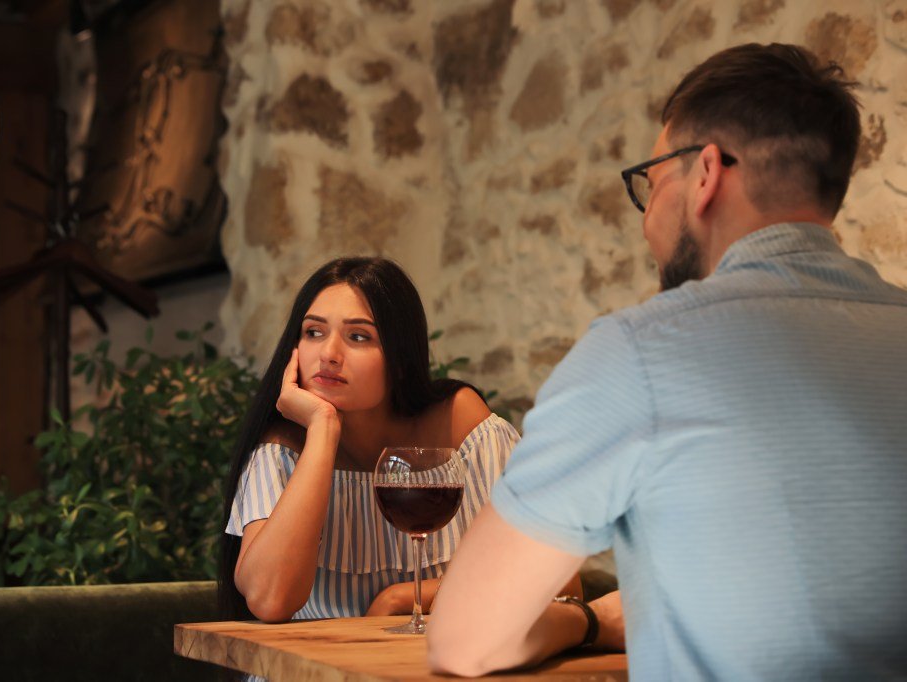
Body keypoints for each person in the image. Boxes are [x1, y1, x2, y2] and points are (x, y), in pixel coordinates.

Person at [428, 43, 907, 679]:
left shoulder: (640, 353)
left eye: (651, 184)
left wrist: (592, 620)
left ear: (706, 174)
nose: (648, 217)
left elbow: (465, 640)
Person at [218, 257, 550, 624]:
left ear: (401, 360)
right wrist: (323, 430)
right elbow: (270, 599)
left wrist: (402, 598)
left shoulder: (461, 425)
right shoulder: (281, 448)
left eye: (358, 337)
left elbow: (555, 579)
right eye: (313, 332)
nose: (328, 354)